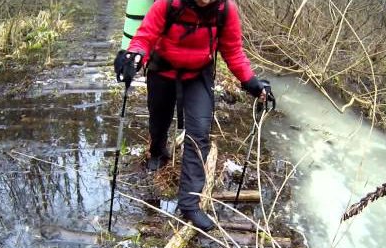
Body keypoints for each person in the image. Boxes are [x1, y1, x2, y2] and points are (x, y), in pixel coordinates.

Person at [114, 0, 274, 231]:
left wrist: (251, 83)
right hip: (162, 69)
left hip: (198, 74)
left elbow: (233, 50)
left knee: (199, 134)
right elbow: (145, 37)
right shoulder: (167, 4)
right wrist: (135, 57)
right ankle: (158, 151)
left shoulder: (226, 9)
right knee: (159, 119)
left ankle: (189, 204)